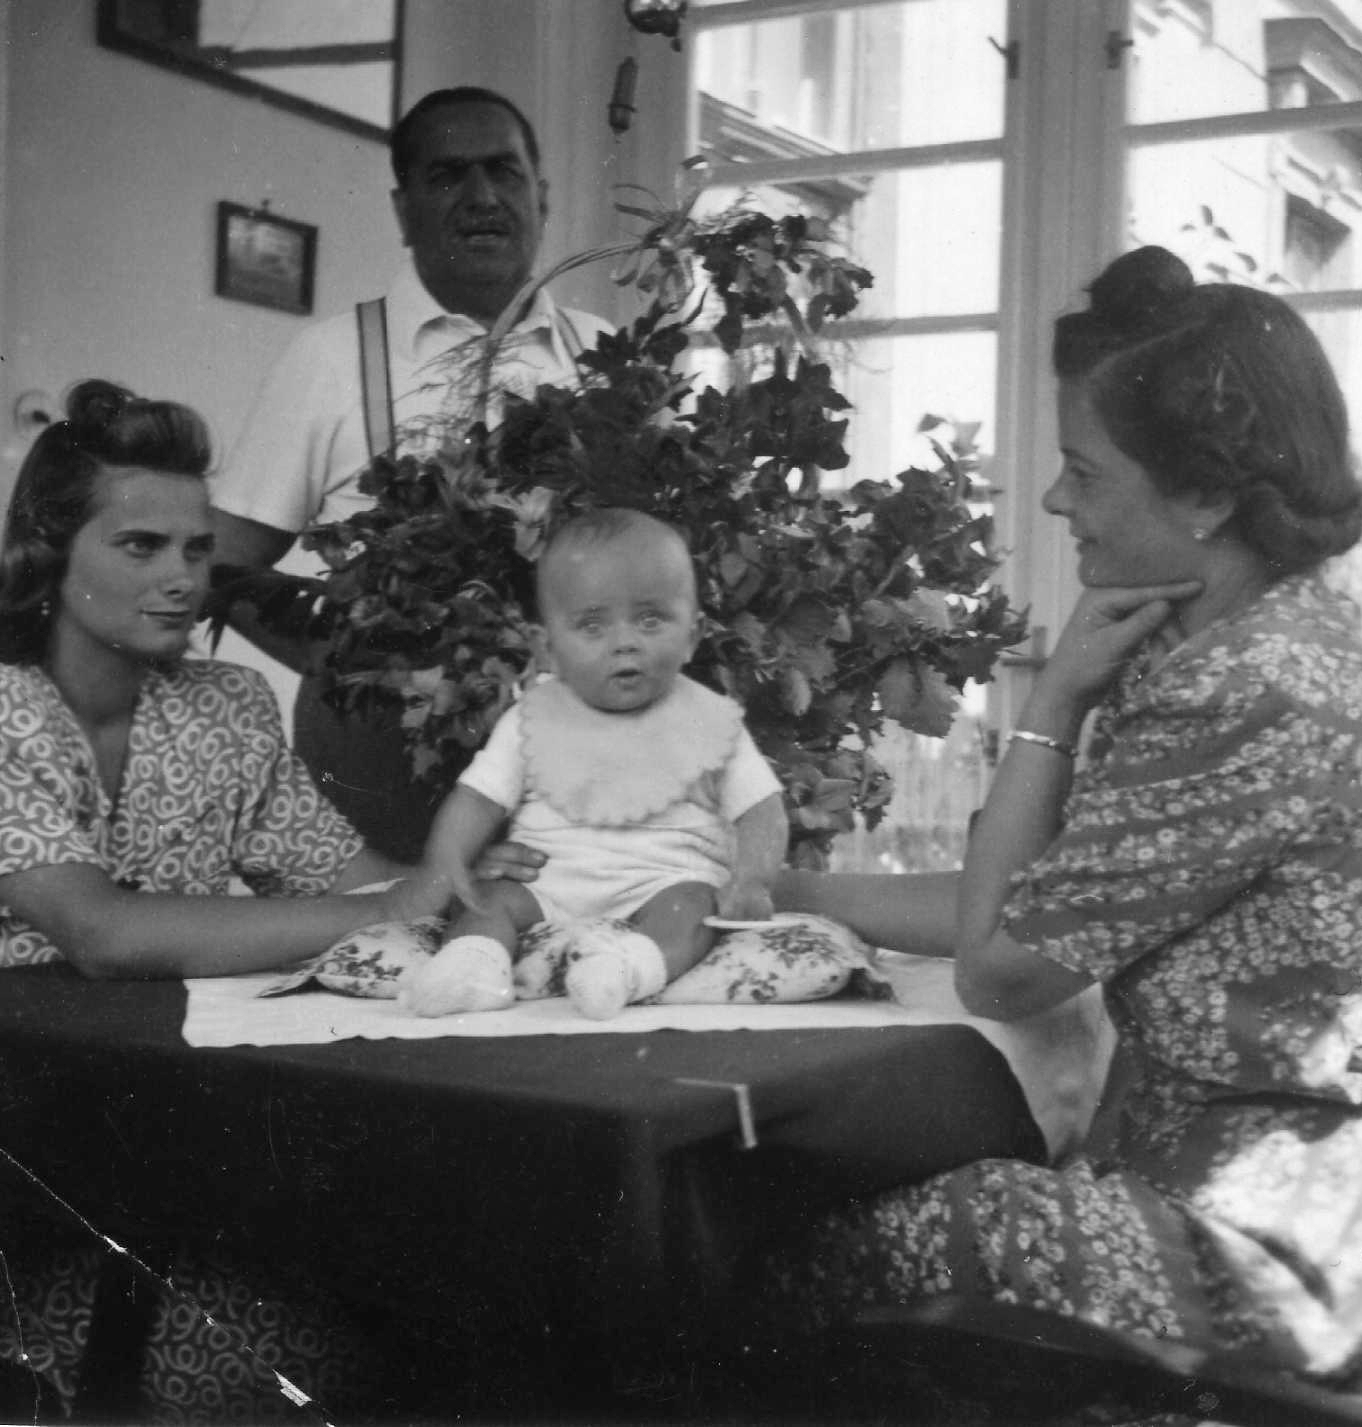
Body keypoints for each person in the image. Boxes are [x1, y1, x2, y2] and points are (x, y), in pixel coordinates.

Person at [762, 246, 1362, 1403]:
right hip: (1307, 1188)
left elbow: (999, 968)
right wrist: (781, 896)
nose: (1056, 500)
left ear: (1205, 495)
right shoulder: (1224, 631)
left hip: (1329, 1244)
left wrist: (1049, 703)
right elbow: (1047, 895)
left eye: (1080, 469)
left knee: (807, 1249)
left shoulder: (1249, 686)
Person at [0, 380, 537, 1418]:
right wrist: (401, 904)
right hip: (28, 1186)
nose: (180, 580)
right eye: (141, 546)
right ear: (49, 553)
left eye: (199, 552)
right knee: (360, 1341)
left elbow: (348, 873)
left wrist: (483, 872)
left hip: (168, 1146)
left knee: (454, 1278)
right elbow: (100, 933)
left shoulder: (229, 707)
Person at [209, 86, 610, 861]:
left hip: (585, 773)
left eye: (505, 171)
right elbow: (220, 562)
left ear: (543, 194)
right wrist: (356, 661)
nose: (483, 197)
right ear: (402, 208)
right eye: (448, 176)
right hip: (389, 774)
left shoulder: (604, 357)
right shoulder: (328, 360)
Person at [407, 508, 789, 1021]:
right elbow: (478, 798)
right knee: (488, 902)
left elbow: (761, 810)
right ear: (547, 648)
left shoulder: (710, 722)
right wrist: (447, 860)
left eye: (650, 618)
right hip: (546, 887)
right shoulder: (529, 720)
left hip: (664, 883)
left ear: (694, 634)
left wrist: (752, 879)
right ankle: (471, 969)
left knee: (695, 906)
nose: (625, 641)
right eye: (592, 624)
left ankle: (626, 969)